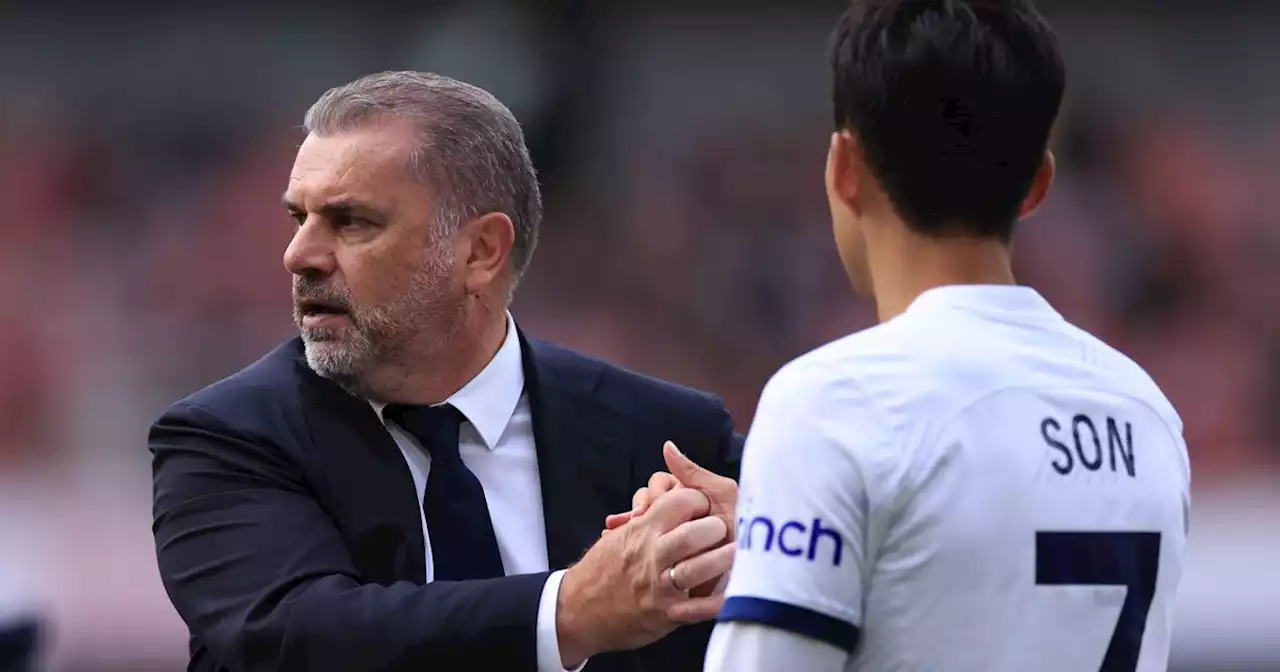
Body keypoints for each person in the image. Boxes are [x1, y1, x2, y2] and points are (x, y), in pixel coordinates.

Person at [149, 71, 741, 672]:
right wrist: (567, 612)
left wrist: (765, 551)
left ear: (481, 251)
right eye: (298, 217)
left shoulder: (668, 439)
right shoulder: (226, 438)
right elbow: (297, 638)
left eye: (351, 221)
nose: (299, 254)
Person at [674, 1, 1187, 670]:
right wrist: (787, 538)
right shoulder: (1146, 413)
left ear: (844, 167)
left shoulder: (831, 403)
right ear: (1038, 184)